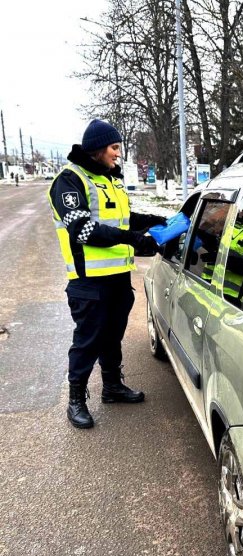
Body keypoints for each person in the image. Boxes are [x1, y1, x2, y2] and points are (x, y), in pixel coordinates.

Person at [48, 119, 167, 429]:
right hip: (88, 281)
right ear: (99, 148)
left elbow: (124, 219)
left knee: (112, 337)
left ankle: (112, 387)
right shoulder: (70, 181)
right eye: (114, 148)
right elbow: (83, 229)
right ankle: (76, 400)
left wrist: (159, 220)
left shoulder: (111, 180)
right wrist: (133, 238)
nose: (118, 154)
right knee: (88, 340)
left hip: (117, 279)